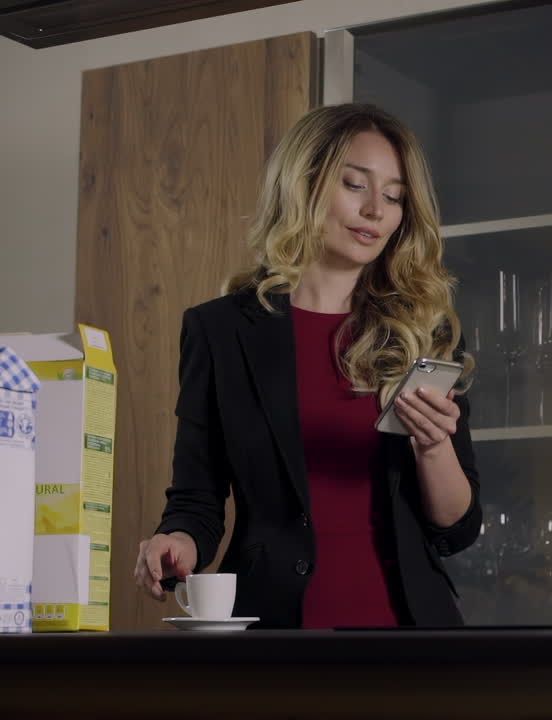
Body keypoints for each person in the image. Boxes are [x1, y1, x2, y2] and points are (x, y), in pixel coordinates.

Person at [131, 103, 481, 629]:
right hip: (271, 629)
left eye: (393, 197)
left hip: (411, 635)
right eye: (355, 185)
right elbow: (196, 498)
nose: (375, 211)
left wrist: (433, 447)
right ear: (303, 183)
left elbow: (456, 527)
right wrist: (175, 541)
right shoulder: (220, 330)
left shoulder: (420, 332)